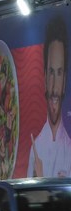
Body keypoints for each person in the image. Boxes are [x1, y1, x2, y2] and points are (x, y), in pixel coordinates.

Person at [29, 16, 71, 177]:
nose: (54, 87)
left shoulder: (69, 150)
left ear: (65, 80)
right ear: (45, 77)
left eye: (59, 73)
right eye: (51, 72)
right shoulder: (35, 150)